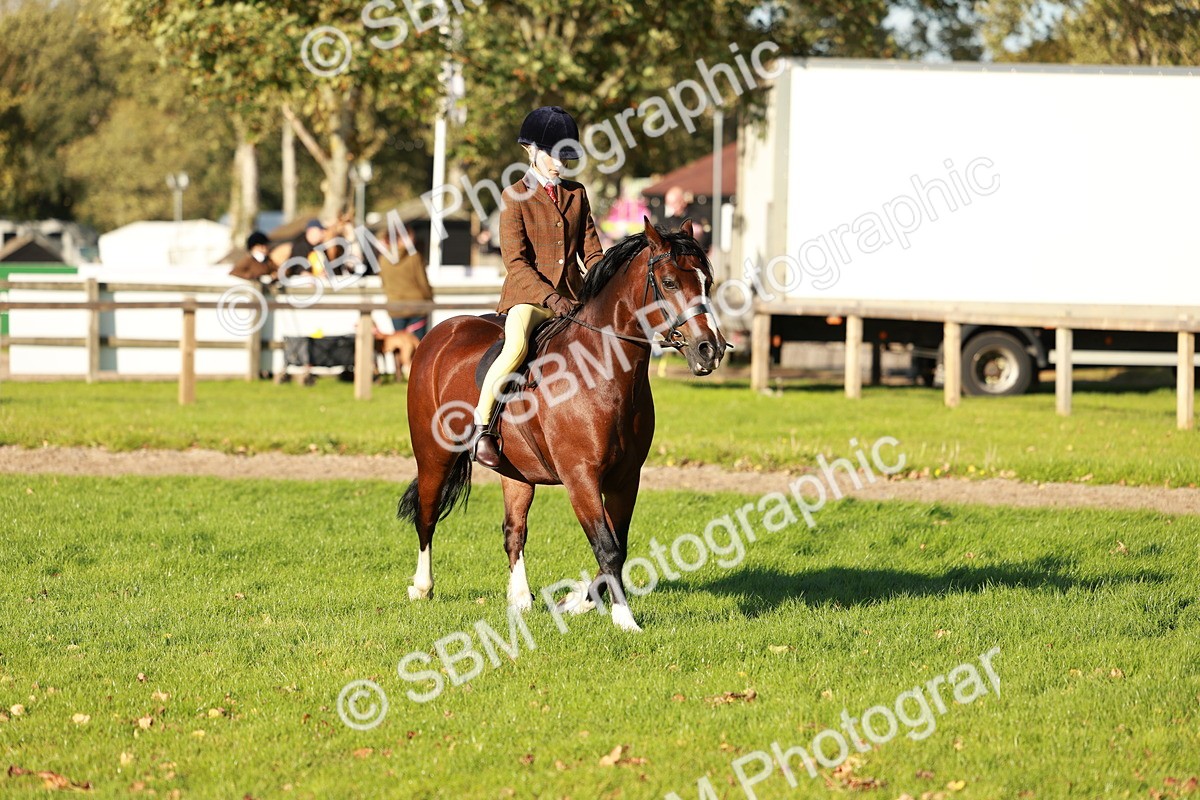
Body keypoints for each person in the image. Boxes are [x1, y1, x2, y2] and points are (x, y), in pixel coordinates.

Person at [469, 106, 605, 467]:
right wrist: (550, 297)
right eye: (552, 156)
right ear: (530, 151)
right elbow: (515, 262)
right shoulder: (514, 196)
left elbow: (592, 253)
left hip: (573, 297)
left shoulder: (577, 194)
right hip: (530, 297)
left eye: (565, 155)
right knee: (515, 347)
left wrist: (604, 279)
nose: (559, 164)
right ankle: (482, 428)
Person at [379, 228, 433, 340]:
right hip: (417, 307)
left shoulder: (383, 259)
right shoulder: (415, 257)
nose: (413, 239)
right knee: (419, 347)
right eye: (409, 236)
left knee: (400, 345)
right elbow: (423, 282)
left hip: (395, 307)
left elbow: (383, 283)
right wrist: (430, 299)